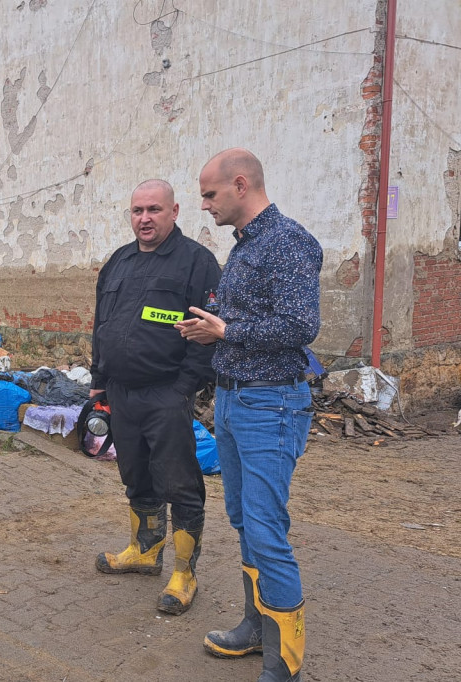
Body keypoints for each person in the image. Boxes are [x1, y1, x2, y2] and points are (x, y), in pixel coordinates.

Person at [176, 148, 322, 682]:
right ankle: (255, 627)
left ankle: (284, 667)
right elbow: (251, 317)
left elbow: (301, 326)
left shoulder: (288, 242)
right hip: (235, 400)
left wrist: (227, 331)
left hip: (271, 404)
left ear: (241, 184)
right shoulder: (244, 247)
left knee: (265, 529)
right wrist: (210, 325)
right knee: (242, 519)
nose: (205, 205)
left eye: (210, 194)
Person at [90, 179, 221, 615]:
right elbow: (102, 324)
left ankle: (184, 572)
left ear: (174, 211)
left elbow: (207, 332)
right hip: (122, 393)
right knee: (137, 478)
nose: (144, 219)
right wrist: (99, 379)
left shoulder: (196, 263)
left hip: (167, 393)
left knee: (180, 485)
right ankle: (145, 551)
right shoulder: (119, 262)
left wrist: (184, 388)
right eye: (137, 211)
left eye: (153, 210)